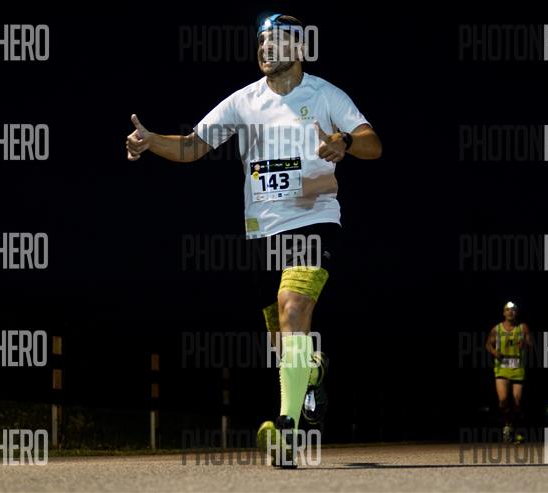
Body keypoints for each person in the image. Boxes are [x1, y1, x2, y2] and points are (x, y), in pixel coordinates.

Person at [125, 13, 382, 467]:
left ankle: (288, 430)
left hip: (314, 219)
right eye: (262, 41)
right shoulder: (244, 101)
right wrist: (151, 142)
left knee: (293, 308)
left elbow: (372, 143)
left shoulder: (325, 94)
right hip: (262, 232)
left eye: (276, 41)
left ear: (299, 49)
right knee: (282, 341)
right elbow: (192, 146)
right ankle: (313, 371)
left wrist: (343, 141)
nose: (265, 48)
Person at [485, 301, 532, 443]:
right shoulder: (497, 329)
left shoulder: (522, 327)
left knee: (517, 402)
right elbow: (488, 344)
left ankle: (517, 430)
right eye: (507, 310)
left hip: (518, 368)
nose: (510, 312)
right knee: (503, 401)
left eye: (513, 310)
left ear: (516, 313)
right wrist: (494, 352)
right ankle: (507, 425)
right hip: (502, 369)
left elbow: (531, 344)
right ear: (503, 313)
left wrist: (525, 343)